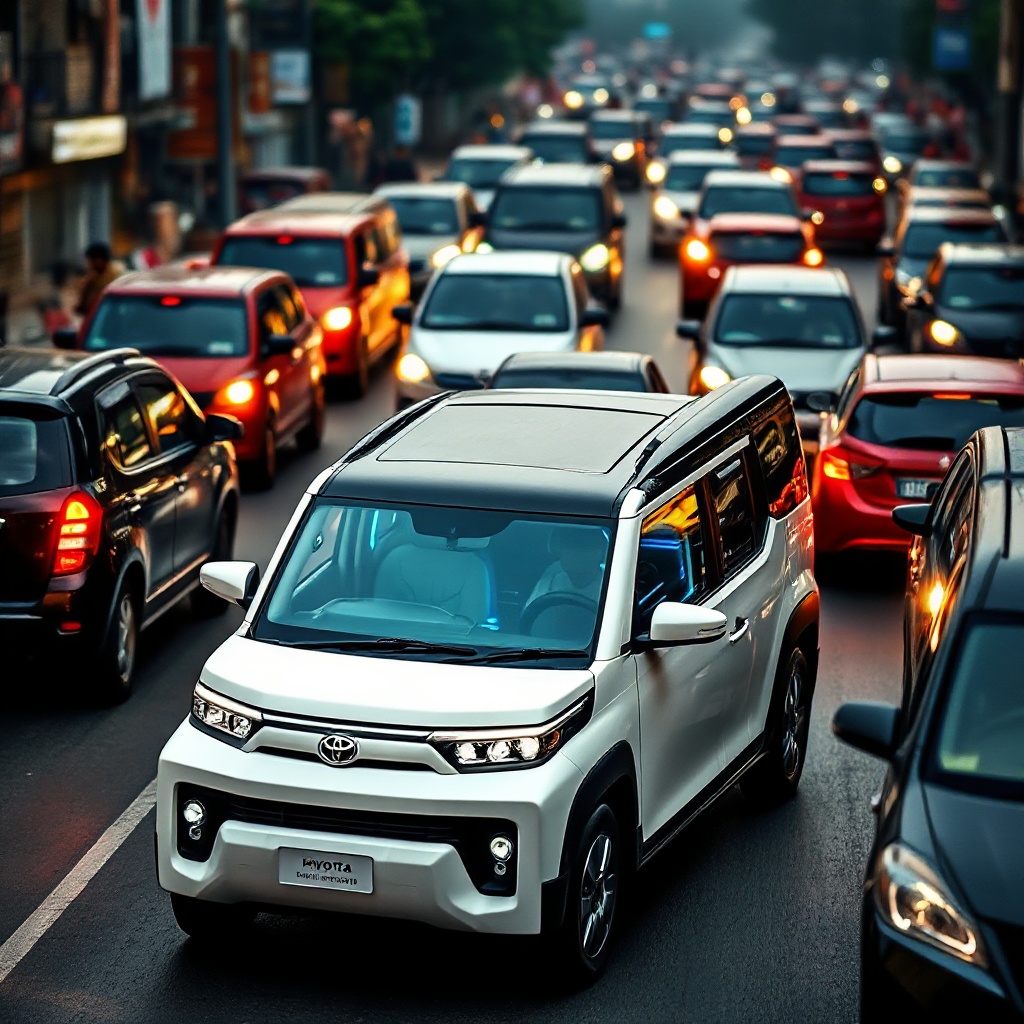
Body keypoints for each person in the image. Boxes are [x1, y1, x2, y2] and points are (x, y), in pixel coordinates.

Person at [528, 527, 607, 605]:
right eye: (571, 545)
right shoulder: (552, 577)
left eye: (585, 546)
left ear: (600, 553)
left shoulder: (611, 585)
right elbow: (530, 613)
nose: (577, 556)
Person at [74, 242, 119, 320]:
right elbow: (82, 306)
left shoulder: (116, 274)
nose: (89, 264)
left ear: (100, 260)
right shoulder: (93, 277)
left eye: (91, 260)